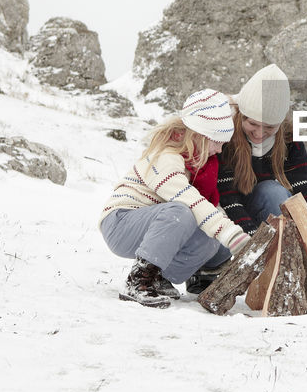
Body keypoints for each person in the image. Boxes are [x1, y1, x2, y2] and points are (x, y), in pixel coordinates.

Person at [100, 88, 249, 308]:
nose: (220, 149)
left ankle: (160, 277)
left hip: (158, 225)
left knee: (209, 236)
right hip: (121, 222)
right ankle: (139, 280)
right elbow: (190, 201)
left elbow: (208, 211)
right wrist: (230, 234)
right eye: (217, 141)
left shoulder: (199, 164)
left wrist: (234, 238)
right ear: (199, 135)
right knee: (182, 213)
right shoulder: (166, 158)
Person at [185, 64, 307, 294]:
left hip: (257, 206)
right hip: (222, 210)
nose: (259, 133)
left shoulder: (289, 135)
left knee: (274, 192)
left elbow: (304, 188)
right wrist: (248, 242)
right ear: (241, 115)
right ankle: (209, 266)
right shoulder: (224, 130)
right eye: (252, 124)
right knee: (216, 217)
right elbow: (226, 194)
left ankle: (281, 267)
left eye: (269, 127)